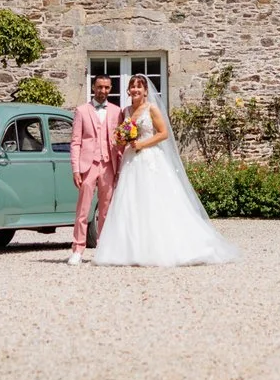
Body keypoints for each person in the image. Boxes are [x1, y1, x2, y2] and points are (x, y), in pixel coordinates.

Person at [94, 73, 238, 267]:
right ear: (128, 90)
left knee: (154, 202)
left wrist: (142, 144)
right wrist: (121, 139)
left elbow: (163, 134)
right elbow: (122, 134)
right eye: (133, 86)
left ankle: (161, 248)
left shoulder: (151, 109)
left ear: (146, 91)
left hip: (149, 158)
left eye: (139, 87)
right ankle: (132, 250)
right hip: (131, 161)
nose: (136, 90)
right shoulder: (125, 111)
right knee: (131, 203)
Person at [68, 75, 124, 265]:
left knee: (106, 210)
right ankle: (78, 249)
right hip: (88, 165)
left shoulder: (117, 111)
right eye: (100, 87)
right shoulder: (82, 111)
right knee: (83, 210)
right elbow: (75, 142)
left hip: (109, 164)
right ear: (93, 87)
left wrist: (120, 166)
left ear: (110, 88)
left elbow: (120, 142)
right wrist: (76, 169)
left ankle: (103, 249)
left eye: (107, 87)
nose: (103, 91)